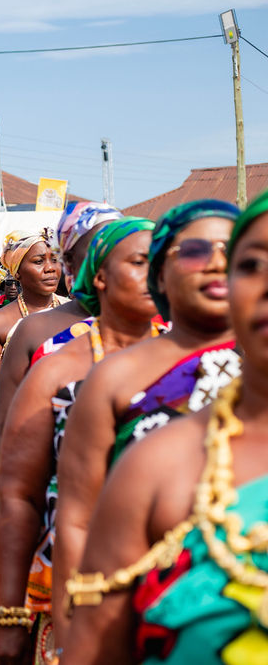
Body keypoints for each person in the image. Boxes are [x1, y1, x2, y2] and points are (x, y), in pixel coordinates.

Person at [60, 192, 268, 664]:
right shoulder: (157, 460)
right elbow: (70, 515)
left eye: (228, 253)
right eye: (253, 264)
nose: (215, 264)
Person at [0, 217, 157, 663]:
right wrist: (7, 608)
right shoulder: (56, 359)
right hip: (75, 568)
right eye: (140, 261)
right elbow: (20, 487)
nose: (156, 273)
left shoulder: (200, 356)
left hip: (180, 580)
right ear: (96, 273)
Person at [0, 202, 122, 589]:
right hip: (56, 514)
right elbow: (0, 424)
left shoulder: (165, 330)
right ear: (73, 258)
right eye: (98, 250)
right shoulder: (33, 330)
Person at [0, 230, 64, 501]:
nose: (50, 268)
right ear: (17, 272)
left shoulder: (77, 312)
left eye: (54, 259)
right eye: (38, 261)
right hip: (23, 440)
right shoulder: (0, 322)